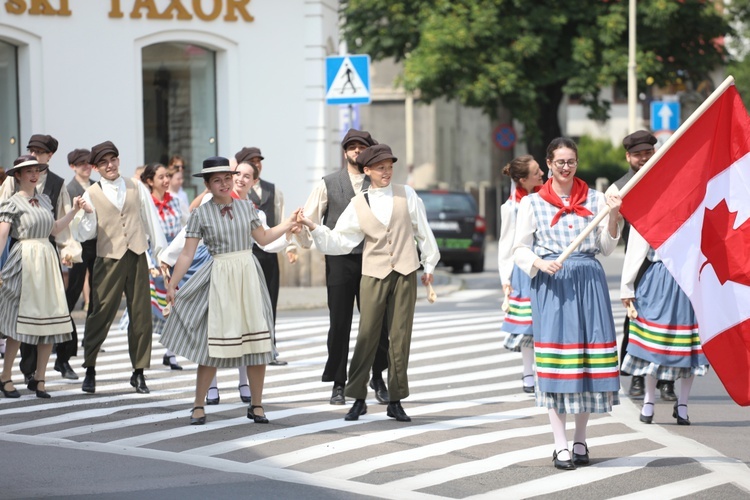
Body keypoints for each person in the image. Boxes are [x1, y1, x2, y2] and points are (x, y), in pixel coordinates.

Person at [298, 144, 440, 423]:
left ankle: (396, 401)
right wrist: (314, 227)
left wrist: (429, 265)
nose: (386, 172)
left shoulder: (407, 194)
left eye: (389, 167)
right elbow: (340, 241)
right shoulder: (358, 202)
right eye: (380, 168)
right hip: (373, 274)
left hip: (405, 272)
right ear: (367, 170)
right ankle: (358, 398)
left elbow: (423, 232)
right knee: (367, 336)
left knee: (399, 339)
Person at [161, 156, 300, 425]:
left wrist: (289, 223)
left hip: (248, 275)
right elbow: (188, 254)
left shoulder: (247, 206)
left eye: (227, 178)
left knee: (257, 343)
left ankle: (256, 405)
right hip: (219, 276)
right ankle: (198, 405)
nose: (225, 183)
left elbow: (264, 237)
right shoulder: (201, 213)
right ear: (208, 185)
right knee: (211, 344)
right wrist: (172, 283)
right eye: (217, 180)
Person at [513, 137, 622, 470]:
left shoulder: (596, 199)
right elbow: (518, 249)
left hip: (589, 282)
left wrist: (614, 213)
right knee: (559, 364)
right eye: (559, 161)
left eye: (571, 161)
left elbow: (606, 247)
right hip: (553, 284)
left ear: (577, 162)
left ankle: (580, 438)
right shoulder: (532, 204)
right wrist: (539, 263)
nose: (565, 167)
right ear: (548, 163)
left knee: (587, 364)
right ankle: (559, 443)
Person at [295, 129, 391, 405]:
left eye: (362, 146)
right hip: (339, 260)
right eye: (352, 146)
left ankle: (377, 376)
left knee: (377, 322)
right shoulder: (328, 183)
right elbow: (310, 217)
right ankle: (338, 382)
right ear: (344, 151)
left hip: (374, 258)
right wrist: (297, 243)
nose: (356, 150)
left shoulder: (378, 183)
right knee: (340, 322)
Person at [71, 141, 167, 394]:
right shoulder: (91, 193)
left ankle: (139, 372)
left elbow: (151, 221)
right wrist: (89, 213)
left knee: (140, 316)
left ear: (119, 160)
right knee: (100, 313)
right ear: (95, 168)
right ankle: (90, 368)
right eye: (103, 162)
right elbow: (85, 233)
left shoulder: (136, 186)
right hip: (108, 257)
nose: (109, 165)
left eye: (112, 159)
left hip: (136, 254)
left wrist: (160, 255)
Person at [0, 155, 90, 399]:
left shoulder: (45, 199)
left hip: (47, 260)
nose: (34, 174)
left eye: (36, 170)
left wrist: (73, 211)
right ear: (17, 176)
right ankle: (6, 376)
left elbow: (54, 229)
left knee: (51, 321)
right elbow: (2, 236)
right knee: (17, 324)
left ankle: (40, 379)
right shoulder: (12, 202)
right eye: (28, 170)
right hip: (24, 259)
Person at [606, 130, 676, 402]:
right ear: (628, 157)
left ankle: (668, 380)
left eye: (648, 152)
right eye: (638, 154)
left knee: (672, 320)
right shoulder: (618, 188)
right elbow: (611, 232)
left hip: (670, 259)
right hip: (640, 263)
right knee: (636, 320)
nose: (644, 158)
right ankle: (636, 376)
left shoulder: (670, 180)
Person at [620, 227, 708, 425]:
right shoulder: (654, 202)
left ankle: (683, 403)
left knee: (690, 346)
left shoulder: (697, 201)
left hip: (689, 278)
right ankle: (649, 400)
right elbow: (636, 243)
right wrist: (627, 286)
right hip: (658, 277)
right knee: (655, 345)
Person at [234, 146, 292, 365]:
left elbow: (280, 217)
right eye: (250, 161)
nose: (256, 164)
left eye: (258, 161)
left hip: (269, 250)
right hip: (246, 255)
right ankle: (247, 349)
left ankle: (270, 347)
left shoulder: (271, 190)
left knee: (269, 301)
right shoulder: (231, 193)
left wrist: (289, 245)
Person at [497, 155, 544, 394]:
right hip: (524, 271)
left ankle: (545, 372)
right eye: (537, 172)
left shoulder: (545, 198)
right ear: (523, 179)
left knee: (546, 323)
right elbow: (506, 245)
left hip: (547, 264)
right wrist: (506, 280)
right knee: (527, 327)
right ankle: (528, 372)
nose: (542, 174)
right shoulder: (511, 207)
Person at [140, 162, 188, 370]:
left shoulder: (176, 202)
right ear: (150, 181)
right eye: (161, 177)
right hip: (153, 256)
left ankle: (171, 353)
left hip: (174, 257)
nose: (166, 180)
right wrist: (150, 262)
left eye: (167, 176)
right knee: (152, 307)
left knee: (174, 303)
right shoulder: (144, 204)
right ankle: (143, 353)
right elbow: (141, 235)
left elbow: (187, 227)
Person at [56, 148, 97, 380]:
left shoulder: (96, 187)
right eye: (80, 163)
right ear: (72, 166)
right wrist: (66, 250)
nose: (85, 166)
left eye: (88, 162)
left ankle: (87, 346)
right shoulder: (68, 189)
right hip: (75, 249)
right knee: (69, 299)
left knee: (96, 301)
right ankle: (62, 356)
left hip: (97, 248)